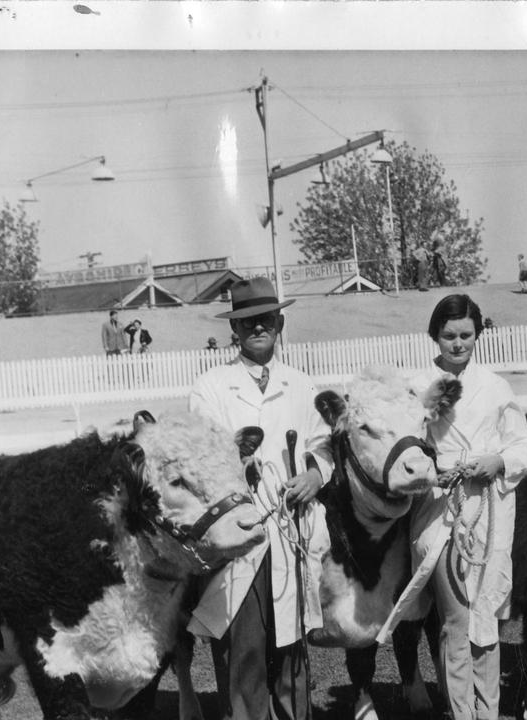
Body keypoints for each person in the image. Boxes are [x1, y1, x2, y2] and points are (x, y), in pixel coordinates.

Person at [185, 277, 334, 720]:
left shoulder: (301, 384)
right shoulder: (212, 385)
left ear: (280, 321)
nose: (257, 328)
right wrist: (235, 461)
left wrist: (312, 474)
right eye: (247, 321)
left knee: (291, 650)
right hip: (240, 534)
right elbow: (202, 451)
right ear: (235, 328)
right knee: (244, 649)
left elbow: (324, 446)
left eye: (265, 319)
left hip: (290, 530)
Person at [405, 293, 527, 720]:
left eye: (466, 335)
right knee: (456, 619)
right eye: (448, 336)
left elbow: (522, 446)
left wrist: (497, 461)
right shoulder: (416, 386)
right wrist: (432, 470)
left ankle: (489, 711)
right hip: (440, 509)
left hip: (491, 508)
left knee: (487, 618)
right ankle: (462, 712)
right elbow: (404, 447)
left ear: (478, 334)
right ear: (434, 337)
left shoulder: (496, 386)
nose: (457, 344)